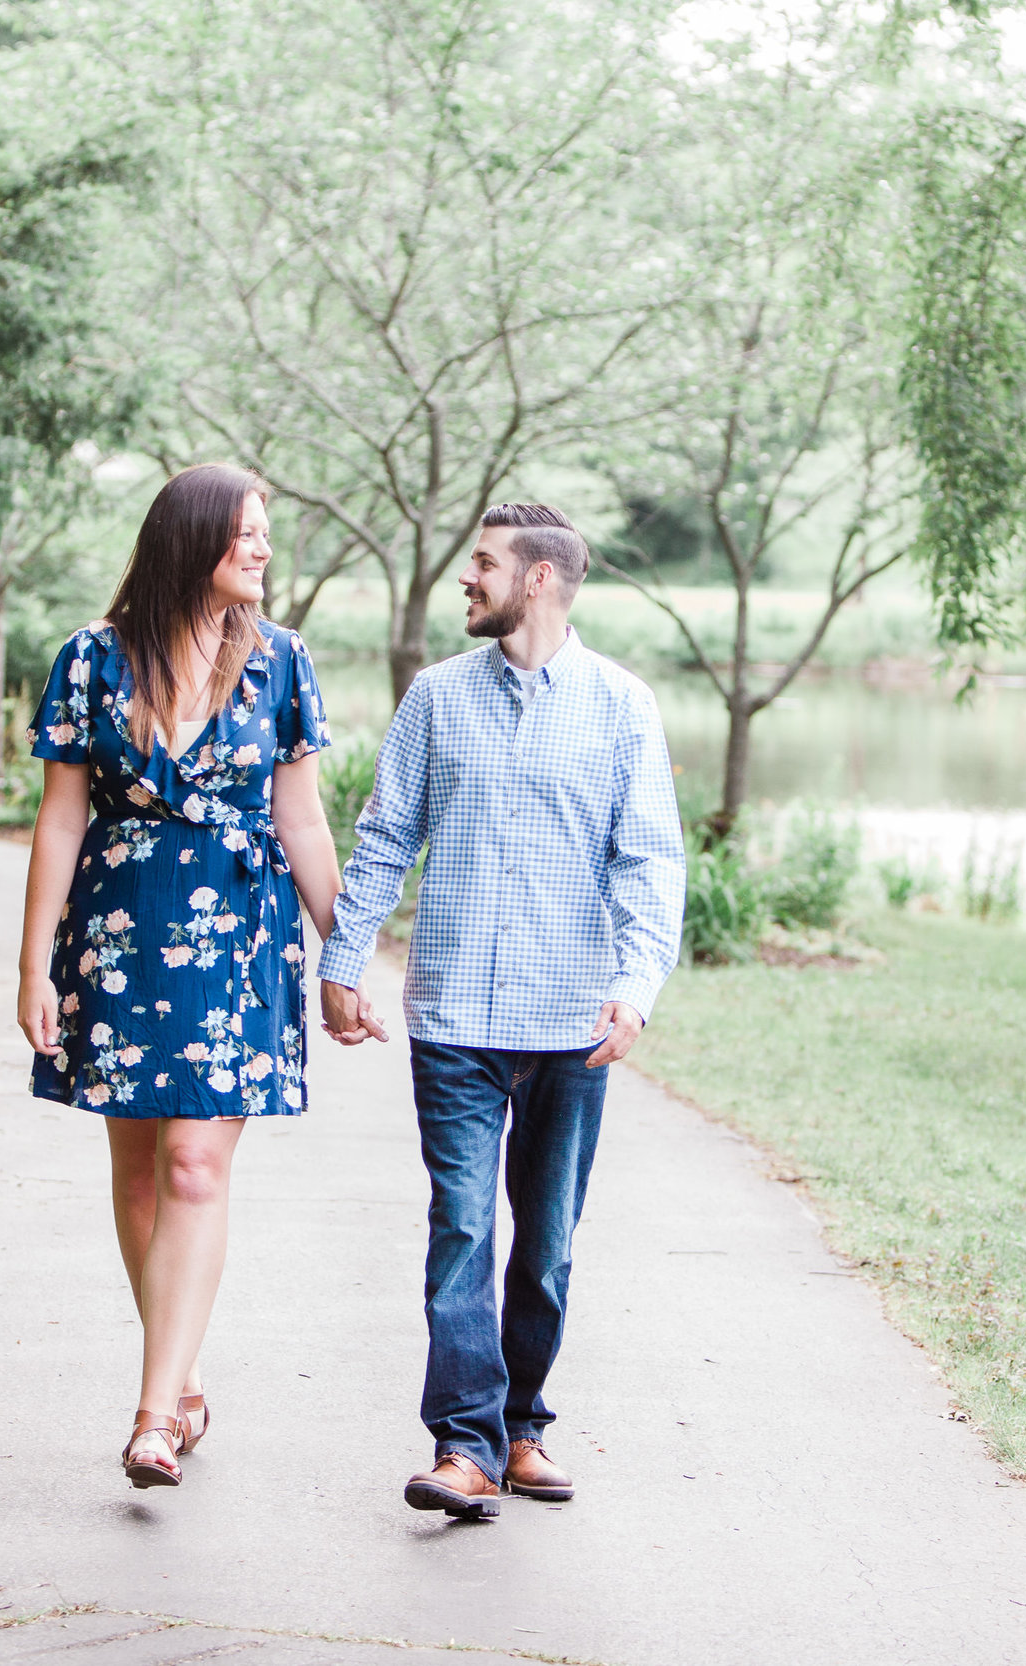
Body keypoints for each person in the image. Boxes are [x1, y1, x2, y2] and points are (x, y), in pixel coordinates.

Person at [318, 503, 685, 1520]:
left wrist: (637, 990)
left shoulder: (621, 705)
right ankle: (464, 1443)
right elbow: (387, 834)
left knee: (548, 1239)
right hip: (454, 1020)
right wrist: (344, 955)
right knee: (463, 1227)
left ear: (537, 581)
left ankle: (523, 1426)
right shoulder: (435, 699)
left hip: (573, 1023)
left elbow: (649, 860)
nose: (463, 580)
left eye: (481, 564)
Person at [16, 463, 347, 1489]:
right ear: (188, 539)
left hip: (241, 938)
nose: (260, 549)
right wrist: (32, 964)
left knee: (196, 1165)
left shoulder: (282, 662)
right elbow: (62, 816)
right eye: (244, 532)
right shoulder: (89, 660)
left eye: (264, 533)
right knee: (138, 1174)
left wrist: (350, 948)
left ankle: (153, 1414)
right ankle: (186, 1369)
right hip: (118, 934)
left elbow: (301, 818)